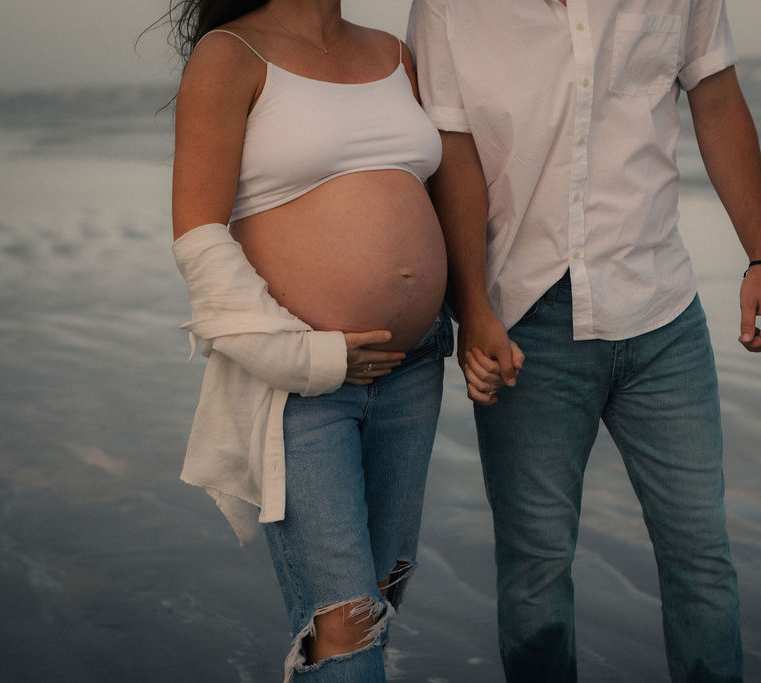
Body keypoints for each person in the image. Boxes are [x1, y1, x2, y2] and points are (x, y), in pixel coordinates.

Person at [408, 0, 761, 681]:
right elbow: (453, 150)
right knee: (535, 568)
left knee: (700, 552)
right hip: (524, 318)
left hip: (661, 304)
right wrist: (471, 309)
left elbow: (717, 96)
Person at [167, 1, 452, 680]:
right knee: (345, 635)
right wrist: (314, 358)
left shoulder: (394, 55)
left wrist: (478, 317)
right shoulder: (231, 56)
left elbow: (435, 197)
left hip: (414, 373)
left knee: (378, 609)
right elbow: (199, 243)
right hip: (302, 387)